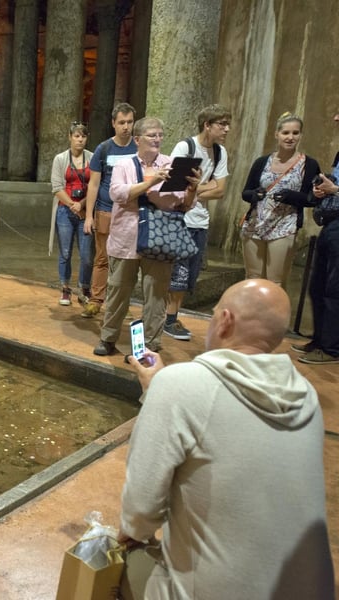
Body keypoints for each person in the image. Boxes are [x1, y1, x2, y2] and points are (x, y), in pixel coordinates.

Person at [119, 279, 334, 599]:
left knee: (113, 559)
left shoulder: (178, 386)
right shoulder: (306, 398)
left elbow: (138, 517)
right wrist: (161, 387)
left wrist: (162, 388)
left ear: (225, 320)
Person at [93, 117, 199, 356]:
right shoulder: (125, 165)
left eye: (160, 135)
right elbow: (117, 193)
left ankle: (150, 345)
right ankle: (108, 338)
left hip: (160, 240)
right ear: (138, 139)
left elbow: (184, 204)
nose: (158, 139)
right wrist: (152, 181)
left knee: (157, 296)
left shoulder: (172, 164)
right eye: (152, 135)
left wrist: (192, 189)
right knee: (118, 291)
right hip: (127, 239)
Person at [163, 105, 232, 342]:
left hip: (201, 221)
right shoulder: (186, 147)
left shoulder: (220, 152)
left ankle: (171, 316)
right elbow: (174, 186)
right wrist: (204, 187)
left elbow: (221, 190)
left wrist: (195, 189)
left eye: (227, 124)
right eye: (222, 124)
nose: (227, 129)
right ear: (207, 125)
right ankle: (169, 320)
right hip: (180, 218)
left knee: (190, 273)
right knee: (177, 273)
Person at [240, 112, 321, 285]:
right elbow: (245, 192)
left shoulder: (309, 164)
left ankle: (272, 313)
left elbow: (313, 198)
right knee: (252, 278)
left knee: (275, 282)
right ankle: (251, 312)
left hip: (284, 226)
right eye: (286, 133)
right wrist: (255, 194)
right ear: (277, 134)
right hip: (255, 225)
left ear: (301, 135)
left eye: (295, 133)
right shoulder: (262, 162)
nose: (290, 137)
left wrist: (292, 196)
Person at [82, 103, 137, 318]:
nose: (126, 127)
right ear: (113, 123)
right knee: (102, 258)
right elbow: (94, 184)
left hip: (130, 214)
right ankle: (96, 300)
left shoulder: (138, 148)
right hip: (105, 211)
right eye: (121, 122)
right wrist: (88, 216)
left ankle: (122, 303)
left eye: (129, 122)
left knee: (127, 261)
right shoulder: (103, 149)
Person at [293, 109, 339, 365]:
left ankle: (332, 349)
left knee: (335, 291)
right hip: (331, 225)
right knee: (318, 285)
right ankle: (320, 339)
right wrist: (324, 191)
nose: (334, 119)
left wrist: (336, 190)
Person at [49, 121, 94, 305]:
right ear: (70, 137)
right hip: (64, 210)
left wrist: (82, 204)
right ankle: (65, 288)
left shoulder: (92, 157)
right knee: (65, 252)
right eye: (76, 136)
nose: (80, 140)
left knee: (86, 254)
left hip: (85, 211)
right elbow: (56, 187)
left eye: (83, 136)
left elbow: (94, 185)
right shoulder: (60, 159)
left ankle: (84, 287)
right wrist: (72, 204)